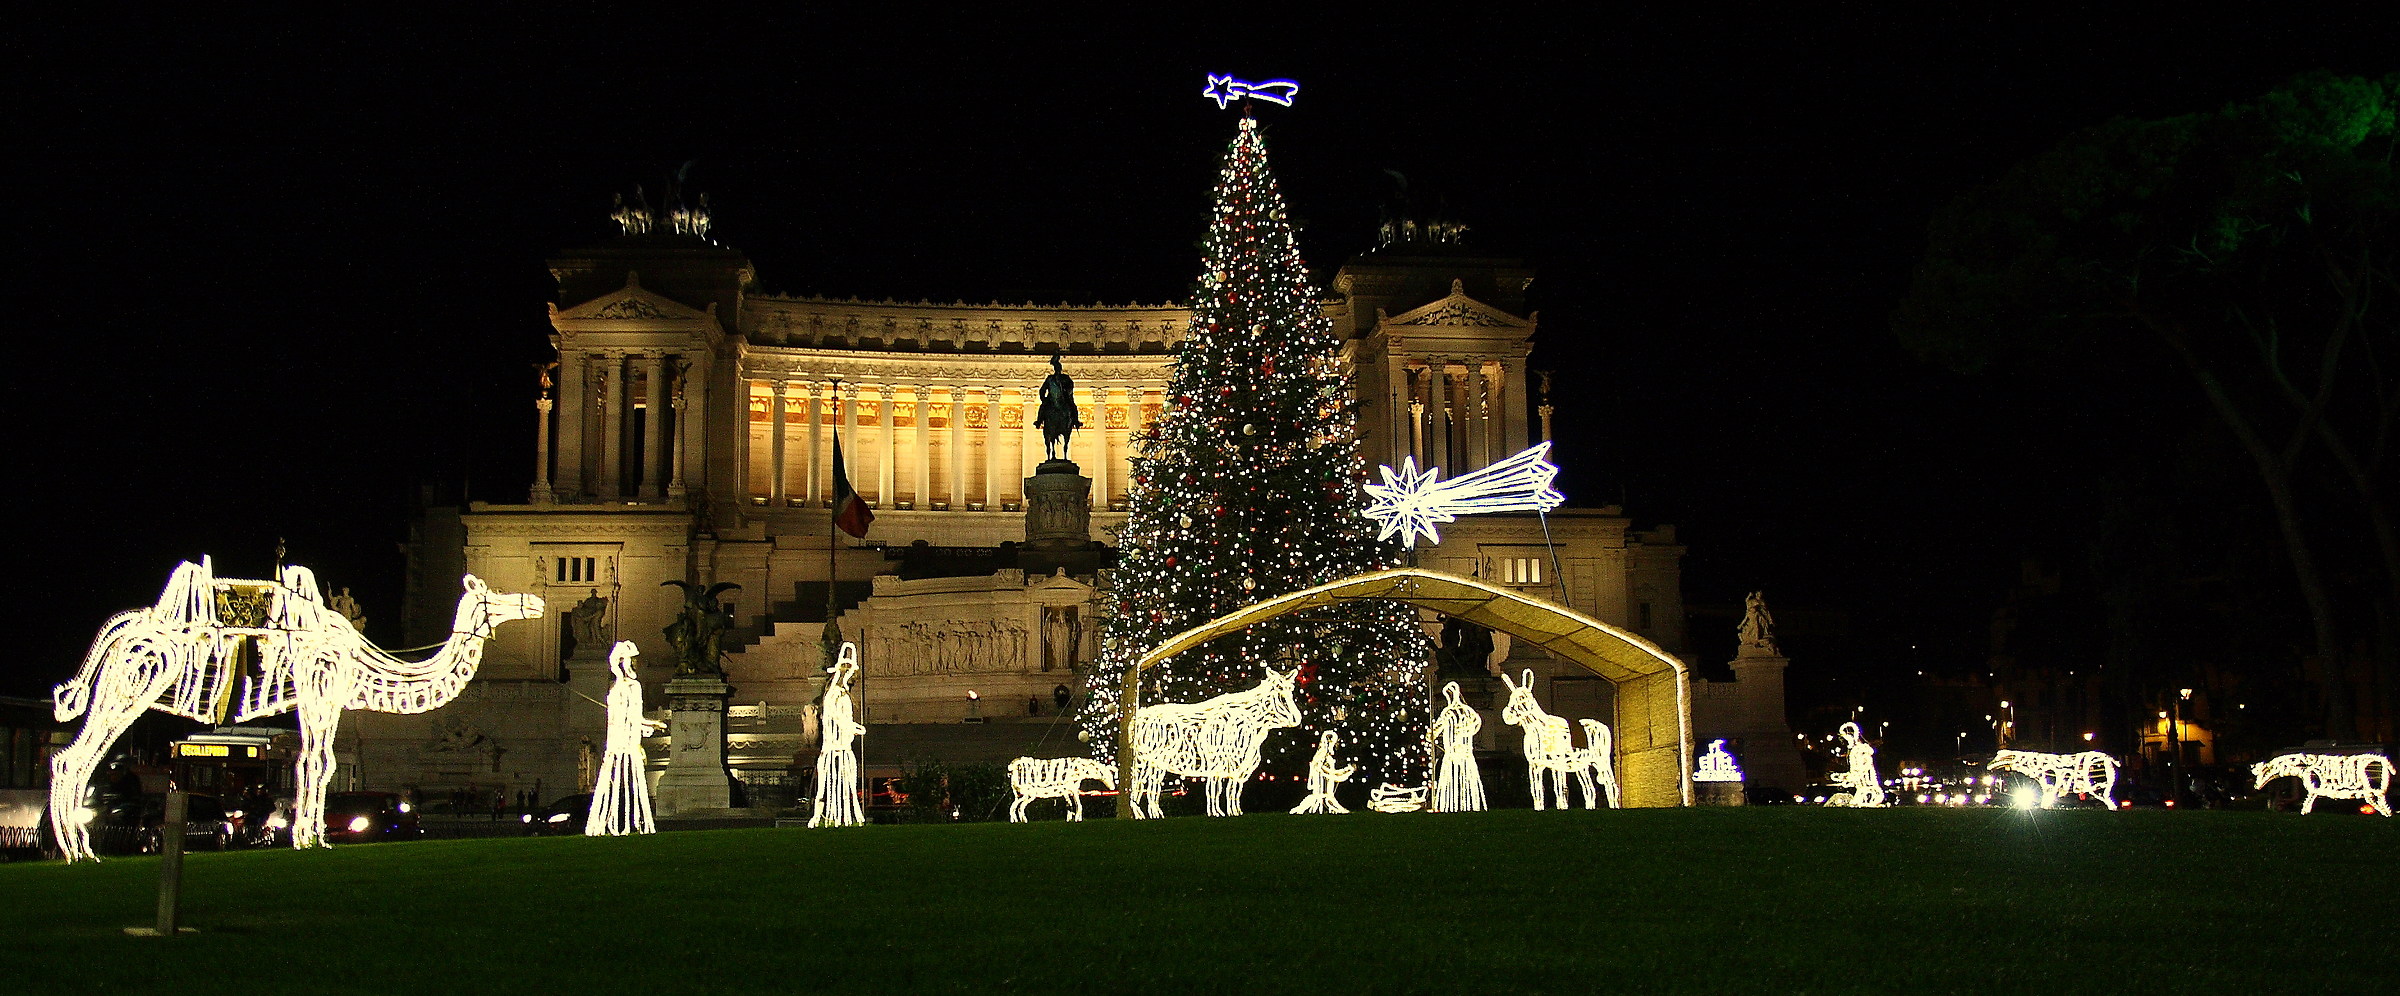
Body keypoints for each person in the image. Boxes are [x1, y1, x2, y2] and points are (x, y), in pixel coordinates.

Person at [587, 641, 661, 835]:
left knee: (616, 781)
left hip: (616, 743)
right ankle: (636, 824)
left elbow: (625, 718)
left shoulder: (615, 688)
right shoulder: (631, 687)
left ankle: (607, 824)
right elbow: (633, 717)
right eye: (633, 660)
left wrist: (649, 724)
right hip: (625, 742)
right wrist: (653, 724)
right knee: (632, 781)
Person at [1430, 682, 1487, 812]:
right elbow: (1477, 723)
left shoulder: (1448, 713)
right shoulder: (1467, 712)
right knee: (1466, 779)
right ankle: (1471, 806)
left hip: (1455, 753)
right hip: (1463, 753)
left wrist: (1431, 734)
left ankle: (1450, 806)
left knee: (1451, 779)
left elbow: (1435, 731)